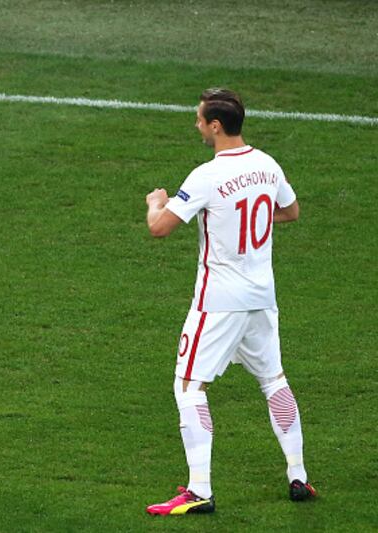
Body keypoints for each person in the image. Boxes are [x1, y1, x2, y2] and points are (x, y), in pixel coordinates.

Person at [143, 88, 316, 515]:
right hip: (262, 296)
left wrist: (155, 203)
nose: (197, 125)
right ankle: (298, 476)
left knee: (188, 386)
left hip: (218, 301)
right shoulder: (267, 164)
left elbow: (160, 228)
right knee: (273, 380)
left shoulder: (207, 175)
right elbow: (291, 211)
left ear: (216, 126)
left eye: (200, 119)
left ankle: (199, 490)